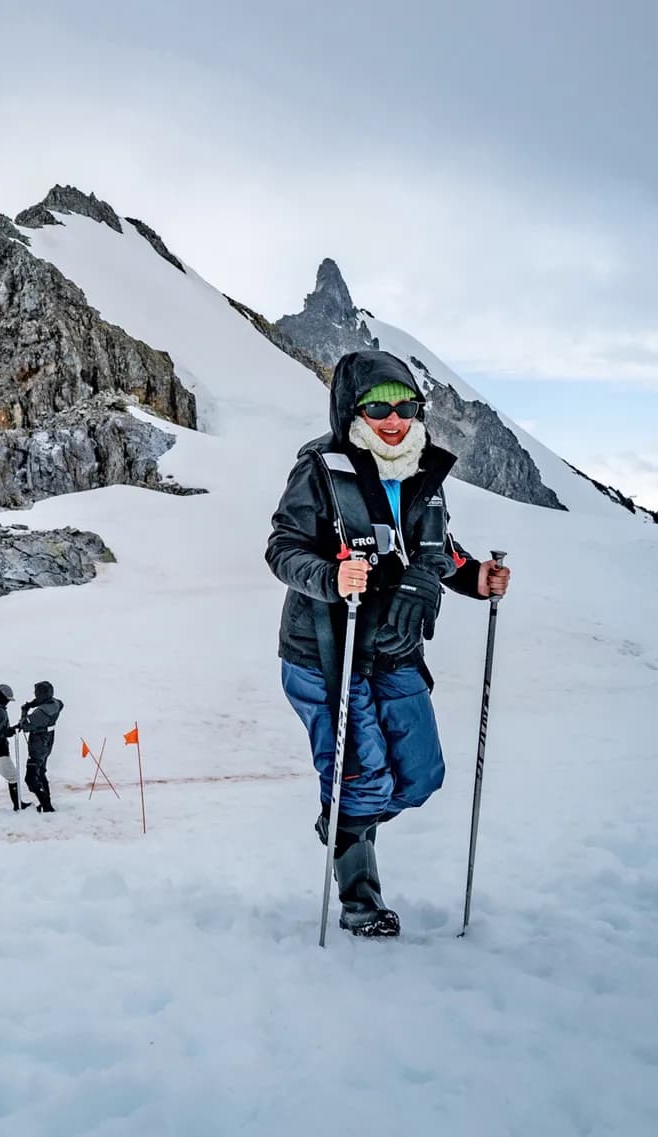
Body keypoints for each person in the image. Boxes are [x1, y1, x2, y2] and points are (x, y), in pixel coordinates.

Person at [266, 350, 513, 937]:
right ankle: (360, 901)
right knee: (364, 777)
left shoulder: (422, 471)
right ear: (353, 409)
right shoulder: (320, 469)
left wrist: (476, 576)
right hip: (327, 650)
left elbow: (436, 550)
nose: (393, 418)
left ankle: (344, 825)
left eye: (405, 405)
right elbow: (283, 548)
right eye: (378, 407)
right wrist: (332, 576)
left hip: (395, 650)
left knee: (421, 776)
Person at [18, 681, 64, 812]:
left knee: (31, 778)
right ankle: (46, 802)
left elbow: (25, 725)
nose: (35, 695)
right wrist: (34, 703)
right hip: (47, 742)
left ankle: (46, 805)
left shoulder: (41, 712)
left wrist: (24, 711)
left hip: (38, 745)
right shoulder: (56, 704)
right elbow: (56, 703)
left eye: (37, 693)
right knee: (41, 772)